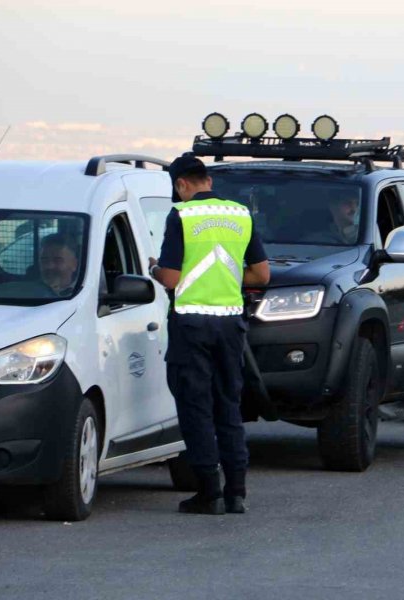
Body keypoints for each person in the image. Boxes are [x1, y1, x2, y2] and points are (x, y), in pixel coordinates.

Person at [149, 153, 271, 514]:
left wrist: (155, 269)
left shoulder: (182, 216)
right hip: (231, 325)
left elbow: (171, 279)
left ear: (181, 184)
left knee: (195, 406)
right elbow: (262, 276)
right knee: (227, 405)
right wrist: (227, 280)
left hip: (191, 324)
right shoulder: (240, 215)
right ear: (209, 182)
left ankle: (209, 492)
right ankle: (237, 491)